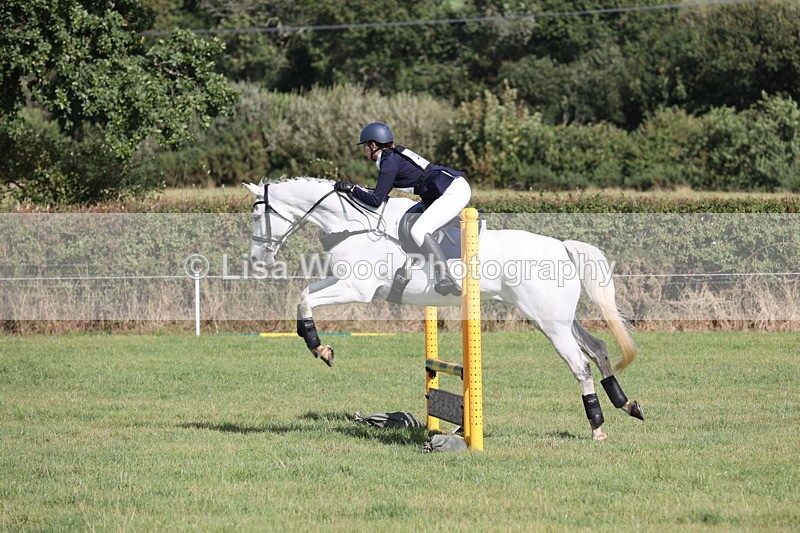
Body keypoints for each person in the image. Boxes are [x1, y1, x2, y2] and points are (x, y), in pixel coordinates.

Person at [334, 122, 471, 296]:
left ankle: (446, 278)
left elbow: (376, 200)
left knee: (419, 231)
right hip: (444, 189)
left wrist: (352, 189)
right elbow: (380, 193)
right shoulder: (392, 156)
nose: (365, 151)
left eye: (365, 146)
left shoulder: (389, 163)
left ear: (373, 145)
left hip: (452, 191)